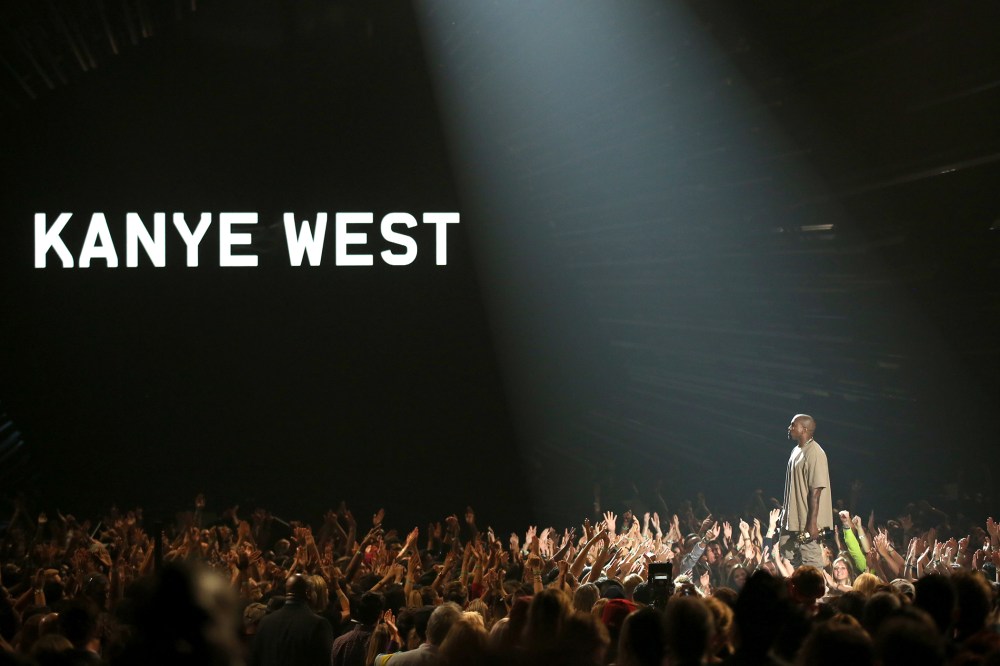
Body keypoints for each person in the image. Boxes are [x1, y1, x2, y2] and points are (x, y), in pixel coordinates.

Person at [780, 414, 833, 568]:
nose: (789, 428)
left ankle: (813, 583)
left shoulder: (815, 453)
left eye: (793, 425)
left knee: (811, 562)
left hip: (807, 520)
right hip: (794, 518)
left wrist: (812, 523)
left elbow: (816, 490)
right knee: (789, 553)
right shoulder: (796, 450)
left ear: (804, 429)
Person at [249, 574, 334, 666]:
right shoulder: (318, 625)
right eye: (314, 591)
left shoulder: (265, 622)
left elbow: (255, 660)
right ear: (308, 593)